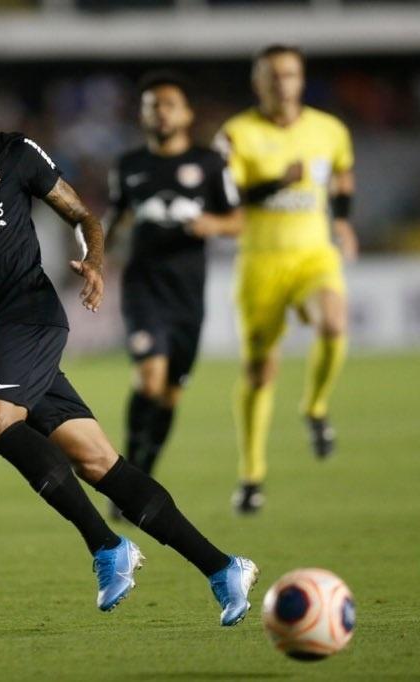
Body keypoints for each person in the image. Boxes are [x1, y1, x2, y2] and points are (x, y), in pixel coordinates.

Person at [0, 47, 257, 626]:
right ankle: (222, 567)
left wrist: (95, 261)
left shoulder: (14, 152)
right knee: (98, 459)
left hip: (30, 314)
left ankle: (107, 547)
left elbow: (85, 216)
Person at [215, 45, 357, 514]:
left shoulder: (329, 129)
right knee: (260, 372)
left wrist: (344, 223)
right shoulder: (237, 134)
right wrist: (278, 182)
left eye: (290, 74)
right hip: (261, 264)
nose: (282, 83)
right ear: (259, 82)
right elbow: (227, 196)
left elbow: (342, 176)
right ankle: (252, 476)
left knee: (334, 323)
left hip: (313, 256)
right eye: (273, 75)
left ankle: (315, 408)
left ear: (301, 79)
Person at [105, 71, 242, 516]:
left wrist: (212, 225)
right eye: (151, 105)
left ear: (186, 113)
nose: (159, 111)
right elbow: (113, 220)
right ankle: (123, 476)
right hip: (144, 286)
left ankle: (142, 471)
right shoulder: (128, 165)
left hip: (188, 293)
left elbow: (237, 220)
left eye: (167, 104)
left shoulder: (209, 164)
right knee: (149, 377)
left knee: (170, 393)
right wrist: (94, 258)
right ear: (143, 115)